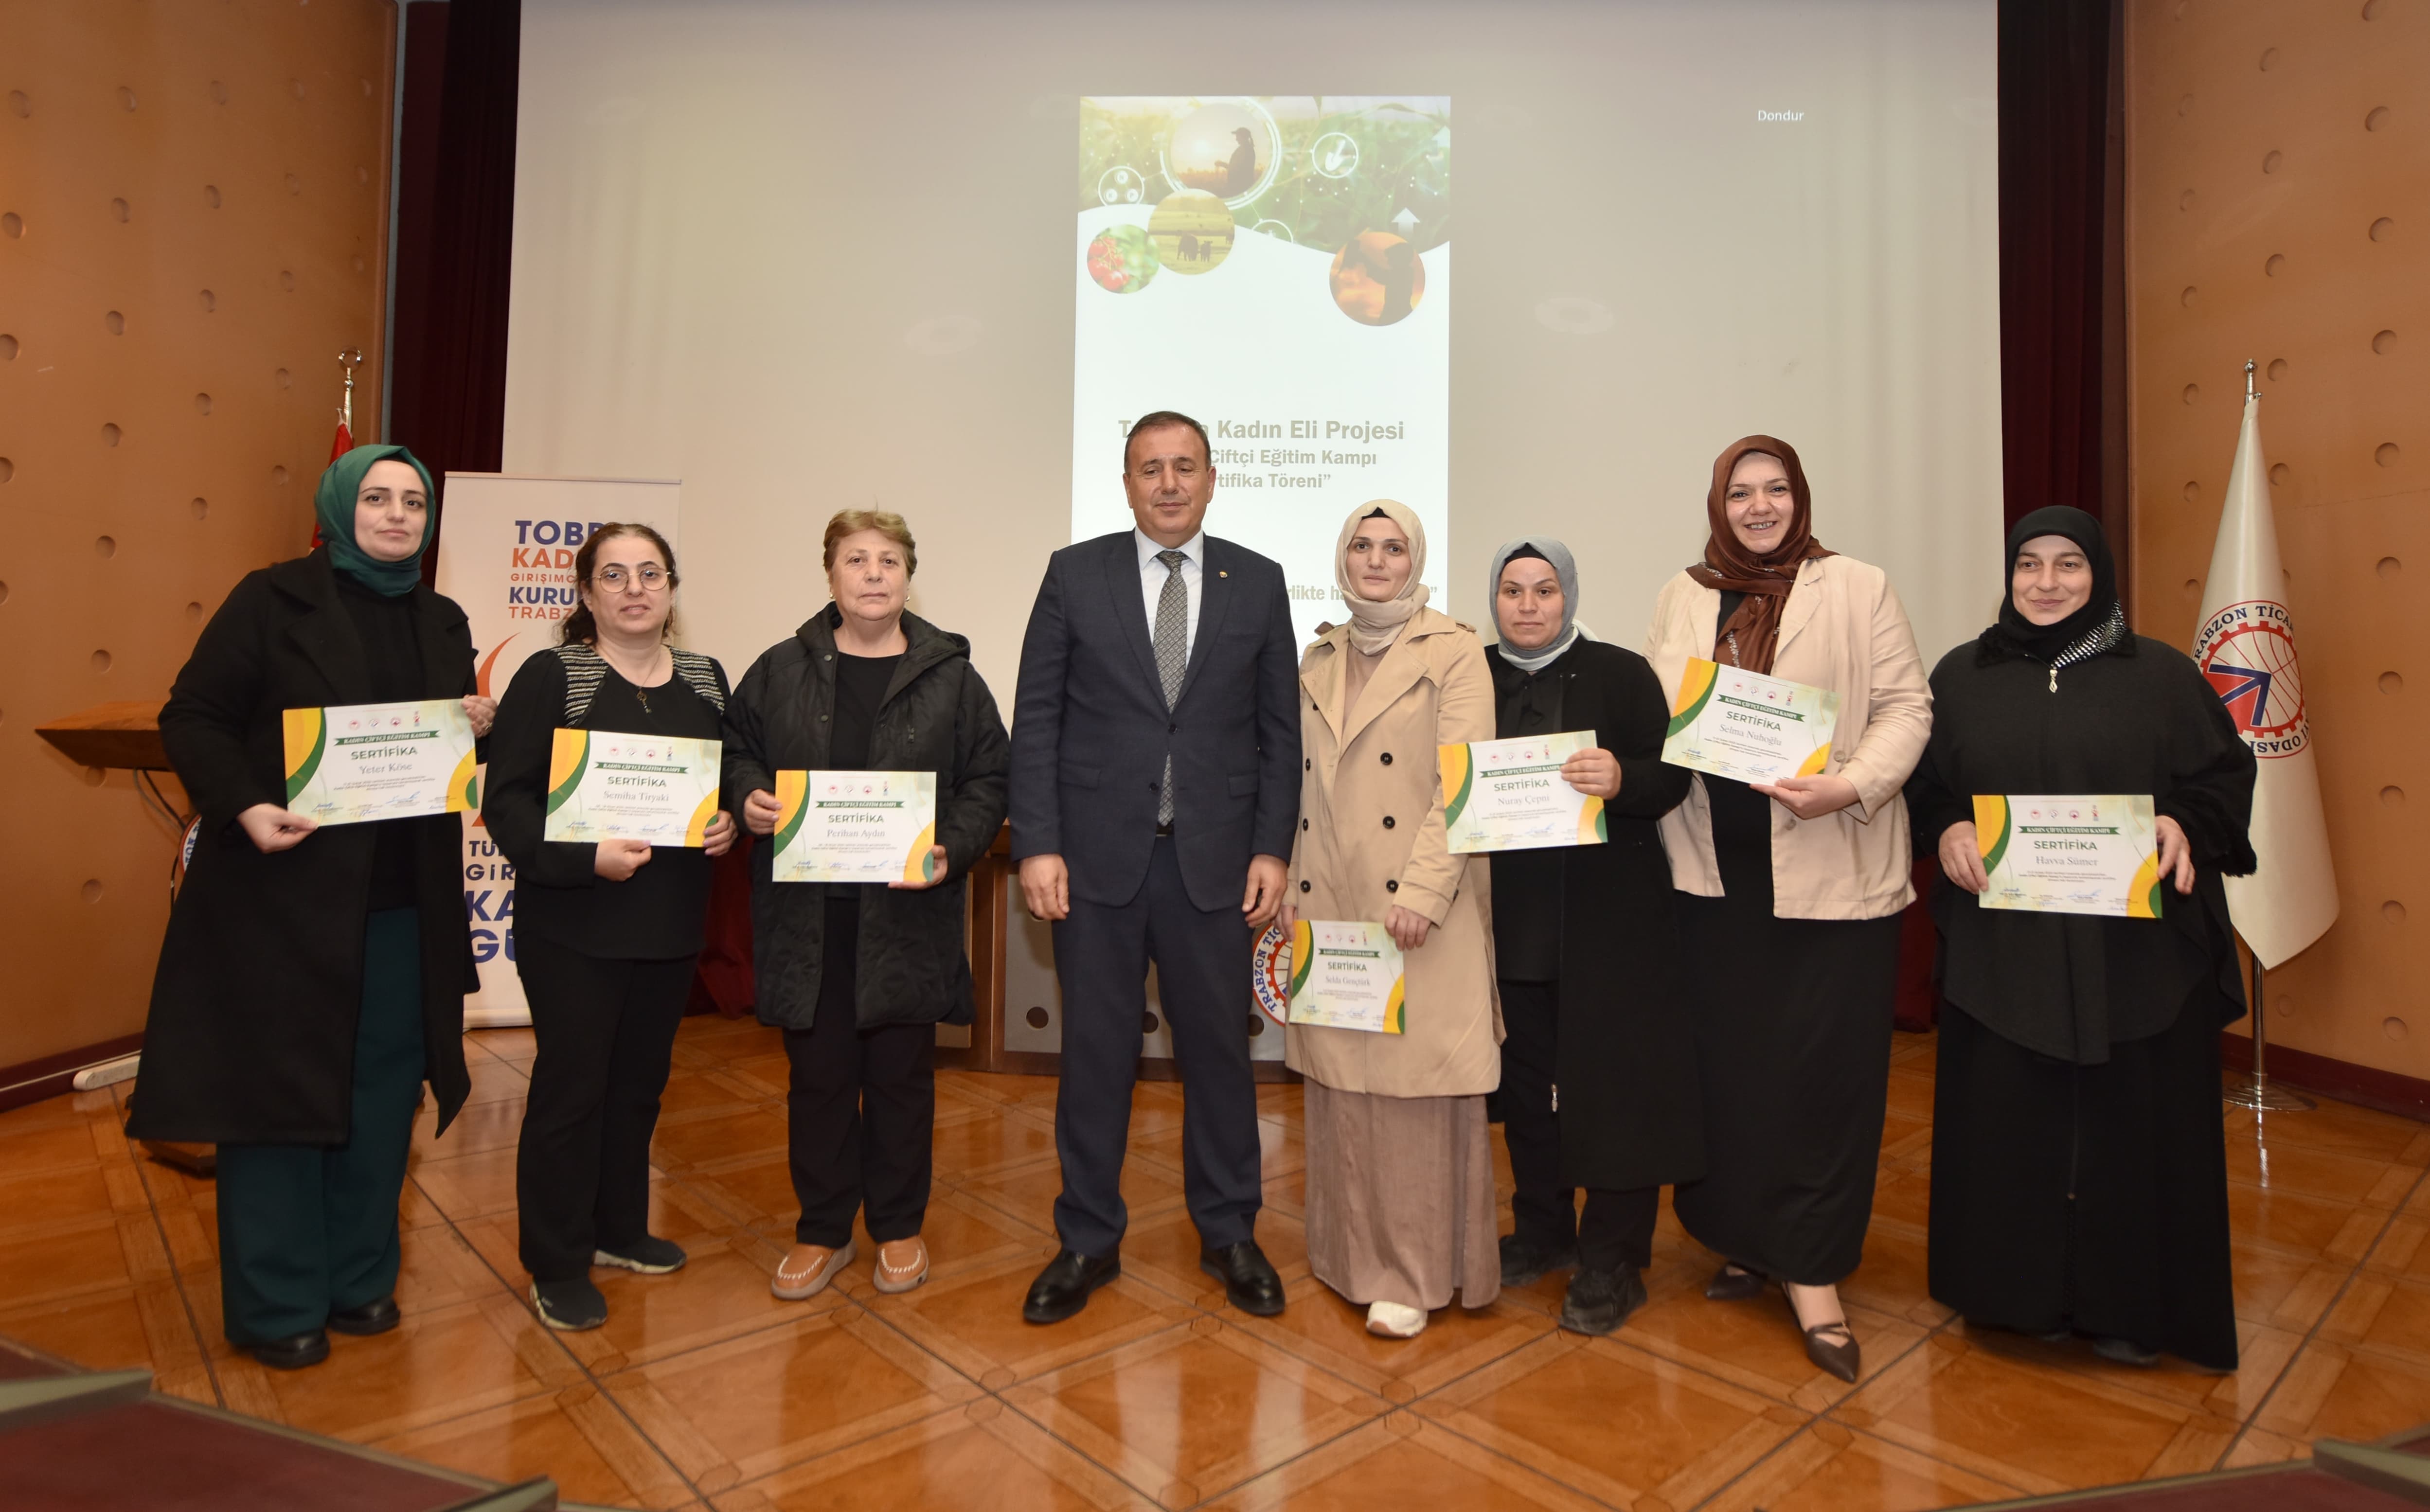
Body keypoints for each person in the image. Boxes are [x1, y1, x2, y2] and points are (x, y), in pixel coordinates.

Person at [125, 445, 493, 1370]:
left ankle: (359, 1279)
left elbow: (421, 751)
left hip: (405, 907)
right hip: (279, 899)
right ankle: (276, 1298)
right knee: (279, 1100)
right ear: (340, 506)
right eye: (377, 497)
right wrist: (244, 804)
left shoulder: (444, 619)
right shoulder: (270, 599)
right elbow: (194, 716)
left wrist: (470, 727)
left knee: (379, 1101)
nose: (398, 514)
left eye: (414, 501)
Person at [1910, 506, 2254, 1371]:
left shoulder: (2163, 676)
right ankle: (2011, 1297)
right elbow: (1927, 783)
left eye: (2068, 564)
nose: (2047, 582)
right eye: (2030, 564)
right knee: (2009, 1122)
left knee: (2130, 1129)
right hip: (2006, 957)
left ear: (2098, 572)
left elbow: (2223, 776)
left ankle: (2132, 1307)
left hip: (2135, 954)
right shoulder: (1962, 675)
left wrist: (2186, 824)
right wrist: (1948, 828)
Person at [1645, 435, 1932, 1383]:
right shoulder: (1686, 592)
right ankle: (1742, 1238)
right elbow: (1662, 712)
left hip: (1829, 862)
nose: (1757, 506)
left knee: (1821, 1078)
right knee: (1731, 1071)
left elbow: (1906, 708)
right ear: (1716, 503)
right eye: (1739, 491)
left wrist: (1848, 787)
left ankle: (1810, 1269)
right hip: (1714, 875)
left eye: (1773, 490)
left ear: (1797, 497)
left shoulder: (1856, 585)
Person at [1009, 410, 1300, 1324]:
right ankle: (1087, 1238)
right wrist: (1039, 843)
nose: (1168, 484)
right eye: (1150, 469)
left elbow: (1278, 730)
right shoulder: (1074, 573)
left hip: (1215, 864)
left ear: (1212, 478)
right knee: (1095, 1055)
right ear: (1126, 481)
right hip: (1094, 860)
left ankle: (1229, 1233)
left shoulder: (1257, 580)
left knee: (1218, 1055)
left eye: (1185, 467)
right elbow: (1039, 717)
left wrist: (1271, 848)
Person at [727, 510, 1008, 1301]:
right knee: (817, 1079)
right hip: (807, 916)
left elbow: (990, 776)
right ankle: (821, 1229)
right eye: (857, 559)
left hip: (905, 913)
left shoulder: (951, 673)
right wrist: (746, 795)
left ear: (909, 575)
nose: (875, 573)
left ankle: (896, 1223)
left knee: (899, 1076)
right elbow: (736, 746)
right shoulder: (780, 668)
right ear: (831, 575)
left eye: (890, 559)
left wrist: (951, 845)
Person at [483, 523, 735, 1331]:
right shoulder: (554, 676)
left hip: (668, 923)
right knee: (572, 1092)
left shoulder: (706, 678)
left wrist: (729, 823)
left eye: (651, 573)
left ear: (672, 586)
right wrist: (584, 855)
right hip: (576, 923)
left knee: (637, 1088)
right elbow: (508, 803)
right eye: (615, 575)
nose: (635, 588)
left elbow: (722, 787)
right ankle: (556, 1260)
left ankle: (620, 1229)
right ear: (587, 593)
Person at [1282, 502, 1497, 1338]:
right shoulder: (1319, 653)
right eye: (1361, 546)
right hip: (1331, 907)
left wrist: (1425, 890)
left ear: (1417, 559)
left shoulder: (1456, 650)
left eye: (1393, 547)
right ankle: (1348, 1258)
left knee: (1414, 1093)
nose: (1377, 560)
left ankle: (1415, 1270)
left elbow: (1463, 781)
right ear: (1342, 558)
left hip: (1416, 910)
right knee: (1341, 1090)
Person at [1482, 538, 1700, 1335]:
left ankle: (1614, 1257)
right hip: (1507, 922)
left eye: (1545, 589)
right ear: (1495, 598)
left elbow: (1671, 777)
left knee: (1613, 1093)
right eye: (1513, 590)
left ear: (1569, 595)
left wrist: (1622, 779)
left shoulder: (1621, 672)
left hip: (1609, 923)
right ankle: (1544, 1231)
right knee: (1525, 1088)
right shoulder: (1472, 673)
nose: (1529, 605)